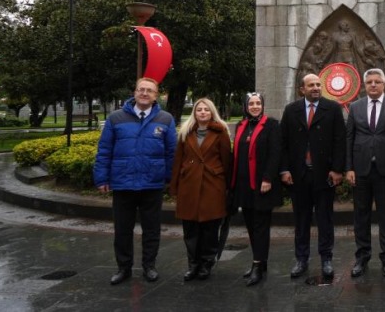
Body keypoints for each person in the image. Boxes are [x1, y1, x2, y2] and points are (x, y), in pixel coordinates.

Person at [93, 77, 177, 285]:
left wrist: (169, 178)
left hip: (152, 183)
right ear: (135, 92)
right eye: (141, 89)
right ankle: (124, 267)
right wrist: (102, 177)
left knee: (152, 229)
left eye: (150, 90)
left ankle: (149, 266)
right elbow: (104, 151)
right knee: (122, 229)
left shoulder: (166, 119)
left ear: (156, 95)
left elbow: (172, 153)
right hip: (123, 183)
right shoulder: (116, 118)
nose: (145, 93)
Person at [280, 73, 346, 279]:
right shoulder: (291, 111)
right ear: (302, 89)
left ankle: (326, 258)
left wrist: (337, 170)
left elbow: (340, 141)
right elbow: (282, 143)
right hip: (299, 175)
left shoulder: (333, 108)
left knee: (325, 218)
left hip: (324, 175)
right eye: (311, 85)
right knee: (301, 219)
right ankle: (301, 259)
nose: (316, 88)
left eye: (318, 84)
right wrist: (284, 170)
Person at [345, 68, 385, 278]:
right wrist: (349, 168)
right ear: (364, 84)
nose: (373, 85)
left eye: (377, 81)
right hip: (360, 170)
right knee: (360, 216)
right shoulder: (355, 107)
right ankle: (362, 257)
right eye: (369, 81)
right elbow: (349, 139)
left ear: (384, 84)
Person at [169, 98, 232, 281]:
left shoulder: (220, 133)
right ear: (194, 113)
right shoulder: (186, 132)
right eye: (199, 110)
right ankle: (193, 264)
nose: (203, 112)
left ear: (212, 112)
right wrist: (175, 186)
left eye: (206, 109)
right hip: (189, 185)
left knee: (210, 230)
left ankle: (206, 263)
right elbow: (178, 160)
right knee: (190, 230)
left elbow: (226, 161)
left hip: (212, 185)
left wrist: (227, 186)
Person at [230, 92, 282, 286]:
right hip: (244, 185)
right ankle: (261, 261)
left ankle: (257, 265)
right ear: (246, 106)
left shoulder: (272, 125)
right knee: (251, 226)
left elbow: (275, 154)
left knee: (260, 226)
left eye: (258, 103)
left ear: (263, 105)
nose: (255, 106)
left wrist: (268, 177)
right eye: (251, 103)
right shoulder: (241, 125)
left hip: (262, 185)